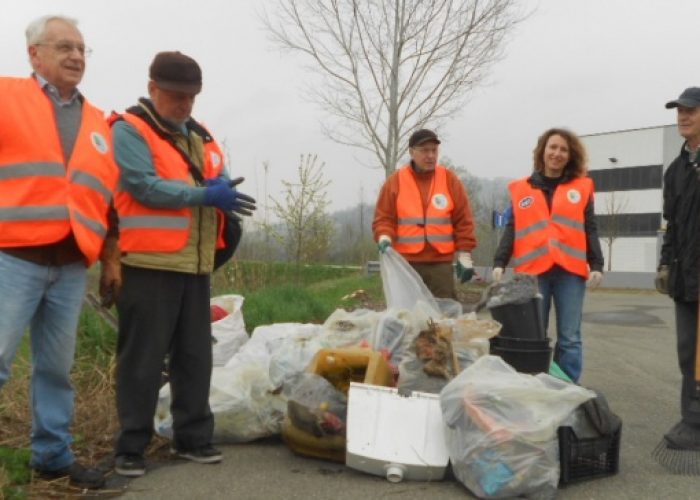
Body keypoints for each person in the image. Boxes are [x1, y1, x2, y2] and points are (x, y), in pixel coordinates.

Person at [110, 51, 255, 477]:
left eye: (192, 97)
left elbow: (218, 176)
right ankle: (130, 447)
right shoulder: (130, 130)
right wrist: (204, 195)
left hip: (195, 265)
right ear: (153, 88)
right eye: (176, 96)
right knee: (143, 358)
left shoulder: (202, 134)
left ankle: (193, 437)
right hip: (149, 263)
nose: (185, 104)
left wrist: (223, 191)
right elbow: (142, 186)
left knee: (195, 357)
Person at [0, 15, 120, 489]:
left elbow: (107, 200)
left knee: (55, 368)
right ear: (35, 54)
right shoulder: (6, 97)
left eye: (82, 49)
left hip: (71, 267)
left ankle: (51, 455)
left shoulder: (98, 122)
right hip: (13, 259)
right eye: (64, 47)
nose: (76, 56)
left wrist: (111, 259)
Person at [491, 128, 604, 383]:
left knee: (570, 338)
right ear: (542, 151)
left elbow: (590, 227)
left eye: (563, 149)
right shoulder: (521, 189)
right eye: (552, 147)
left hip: (570, 273)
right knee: (532, 336)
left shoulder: (582, 187)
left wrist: (596, 263)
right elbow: (513, 227)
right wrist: (500, 261)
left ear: (570, 155)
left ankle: (567, 388)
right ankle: (534, 384)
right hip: (533, 273)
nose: (557, 153)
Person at [372, 129, 477, 299]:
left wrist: (465, 254)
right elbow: (384, 218)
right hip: (406, 263)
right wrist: (384, 236)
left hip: (440, 265)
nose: (430, 155)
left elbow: (463, 220)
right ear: (412, 152)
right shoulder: (395, 182)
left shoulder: (449, 180)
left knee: (444, 316)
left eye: (434, 150)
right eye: (424, 150)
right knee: (407, 316)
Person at [655, 87, 700, 450]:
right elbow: (670, 222)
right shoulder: (675, 170)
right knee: (688, 350)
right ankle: (692, 420)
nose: (683, 117)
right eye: (679, 112)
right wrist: (665, 263)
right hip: (687, 278)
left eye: (691, 111)